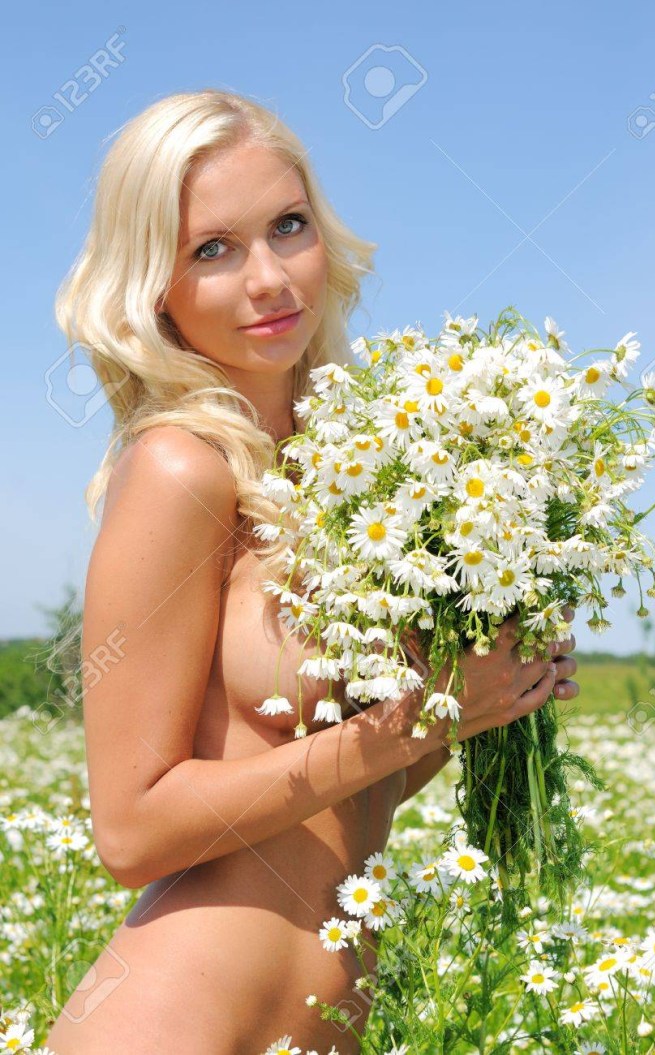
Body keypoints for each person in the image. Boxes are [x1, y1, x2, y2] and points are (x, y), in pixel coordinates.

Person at [43, 89, 579, 1055]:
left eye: (288, 227)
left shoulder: (359, 476)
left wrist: (492, 690)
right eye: (213, 249)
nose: (268, 278)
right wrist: (419, 716)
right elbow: (131, 830)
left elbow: (340, 804)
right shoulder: (181, 469)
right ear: (153, 287)